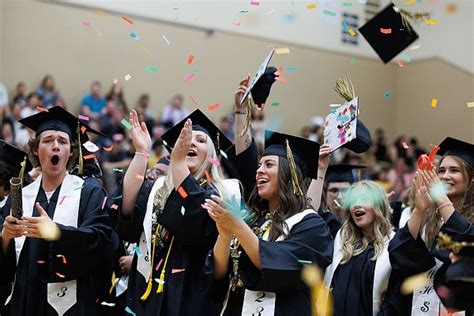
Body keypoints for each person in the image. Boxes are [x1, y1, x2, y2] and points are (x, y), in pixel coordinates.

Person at [204, 76, 333, 315]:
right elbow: (221, 276)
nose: (259, 170)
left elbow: (280, 266)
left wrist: (237, 227)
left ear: (288, 175)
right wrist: (224, 236)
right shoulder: (255, 220)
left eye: (269, 164)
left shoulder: (311, 226)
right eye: (259, 165)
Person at [114, 108, 235, 315]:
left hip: (189, 296)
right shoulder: (158, 189)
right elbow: (126, 212)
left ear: (211, 155)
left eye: (201, 141)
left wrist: (178, 164)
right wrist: (141, 153)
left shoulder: (218, 194)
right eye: (188, 139)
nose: (192, 143)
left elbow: (196, 224)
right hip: (145, 292)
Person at [0, 106, 114, 315]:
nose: (55, 146)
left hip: (72, 306)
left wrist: (57, 232)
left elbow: (100, 243)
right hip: (23, 302)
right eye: (48, 140)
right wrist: (5, 238)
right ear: (35, 149)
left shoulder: (89, 192)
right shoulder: (20, 197)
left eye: (62, 141)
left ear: (70, 151)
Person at [389, 137, 474, 316]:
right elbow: (401, 257)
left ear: (471, 179)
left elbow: (466, 244)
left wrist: (440, 196)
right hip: (420, 304)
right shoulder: (429, 217)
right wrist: (419, 211)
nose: (444, 176)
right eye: (441, 170)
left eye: (454, 170)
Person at [323, 180, 403, 315]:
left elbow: (395, 300)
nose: (357, 205)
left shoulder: (394, 245)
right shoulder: (342, 240)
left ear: (379, 205)